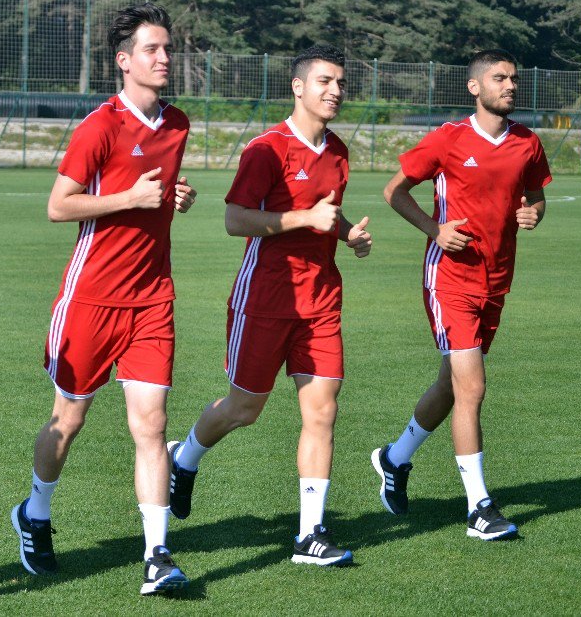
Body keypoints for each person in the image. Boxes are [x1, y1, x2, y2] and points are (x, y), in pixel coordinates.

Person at [10, 2, 197, 596]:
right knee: (69, 420)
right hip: (90, 300)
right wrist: (128, 199)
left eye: (168, 49)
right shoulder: (99, 126)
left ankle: (158, 554)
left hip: (152, 299)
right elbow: (58, 205)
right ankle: (35, 513)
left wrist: (175, 198)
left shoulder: (179, 124)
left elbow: (156, 194)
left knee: (152, 424)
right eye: (152, 49)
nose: (164, 58)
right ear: (124, 61)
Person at [167, 43, 372, 567]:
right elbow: (236, 219)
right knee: (245, 409)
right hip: (264, 300)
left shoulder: (339, 152)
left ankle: (310, 534)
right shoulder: (266, 149)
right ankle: (183, 459)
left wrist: (348, 235)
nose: (336, 91)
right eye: (325, 81)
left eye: (341, 83)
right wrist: (304, 220)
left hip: (322, 301)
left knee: (322, 412)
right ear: (298, 87)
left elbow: (328, 216)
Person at [372, 49, 551, 541]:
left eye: (514, 78)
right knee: (472, 387)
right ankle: (480, 508)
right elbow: (395, 191)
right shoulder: (448, 140)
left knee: (452, 387)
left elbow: (536, 198)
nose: (510, 86)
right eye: (500, 78)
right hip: (449, 279)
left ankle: (394, 457)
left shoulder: (527, 143)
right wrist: (434, 230)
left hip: (497, 281)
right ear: (475, 87)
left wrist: (534, 214)